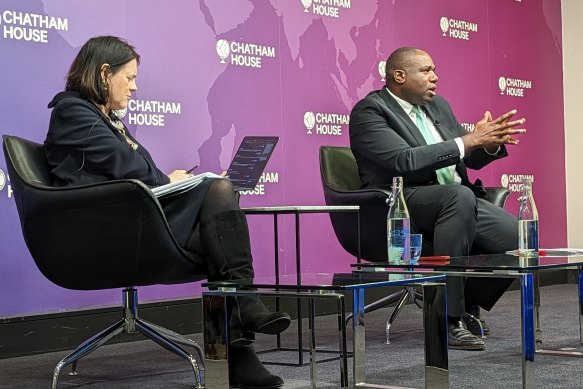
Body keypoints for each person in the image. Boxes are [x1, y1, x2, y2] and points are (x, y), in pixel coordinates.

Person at [44, 35, 289, 388]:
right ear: (103, 73)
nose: (134, 86)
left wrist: (169, 180)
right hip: (100, 230)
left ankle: (240, 353)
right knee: (218, 195)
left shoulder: (105, 118)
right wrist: (167, 180)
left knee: (216, 229)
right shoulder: (72, 112)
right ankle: (243, 322)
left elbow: (133, 171)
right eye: (128, 77)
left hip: (128, 217)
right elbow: (130, 170)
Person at [349, 47, 526, 351]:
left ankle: (467, 300)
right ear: (399, 76)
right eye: (426, 71)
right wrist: (468, 140)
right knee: (456, 197)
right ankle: (448, 319)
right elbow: (403, 160)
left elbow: (466, 157)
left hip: (458, 198)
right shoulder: (370, 112)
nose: (435, 77)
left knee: (519, 237)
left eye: (434, 70)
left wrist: (489, 143)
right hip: (405, 202)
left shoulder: (438, 106)